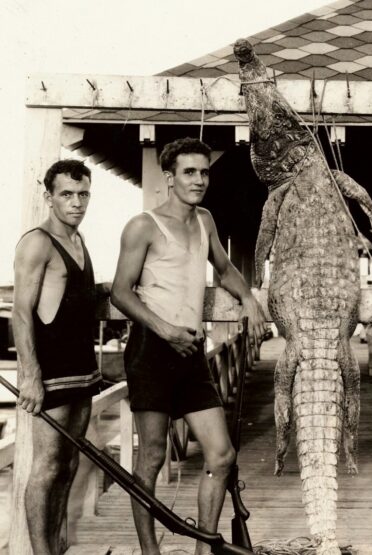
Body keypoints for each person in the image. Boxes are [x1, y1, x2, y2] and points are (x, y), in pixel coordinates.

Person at [111, 137, 266, 555]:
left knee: (221, 454)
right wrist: (164, 329)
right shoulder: (143, 225)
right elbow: (120, 293)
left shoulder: (205, 220)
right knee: (153, 456)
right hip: (151, 348)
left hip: (192, 351)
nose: (199, 180)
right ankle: (150, 551)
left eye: (204, 171)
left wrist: (248, 297)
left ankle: (205, 547)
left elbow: (224, 266)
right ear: (169, 178)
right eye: (189, 172)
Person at [13, 159, 102, 554]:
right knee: (47, 466)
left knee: (69, 464)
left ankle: (56, 544)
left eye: (83, 195)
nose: (76, 203)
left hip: (83, 370)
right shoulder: (37, 242)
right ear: (49, 198)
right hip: (51, 374)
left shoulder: (79, 241)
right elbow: (20, 311)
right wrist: (30, 375)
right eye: (67, 195)